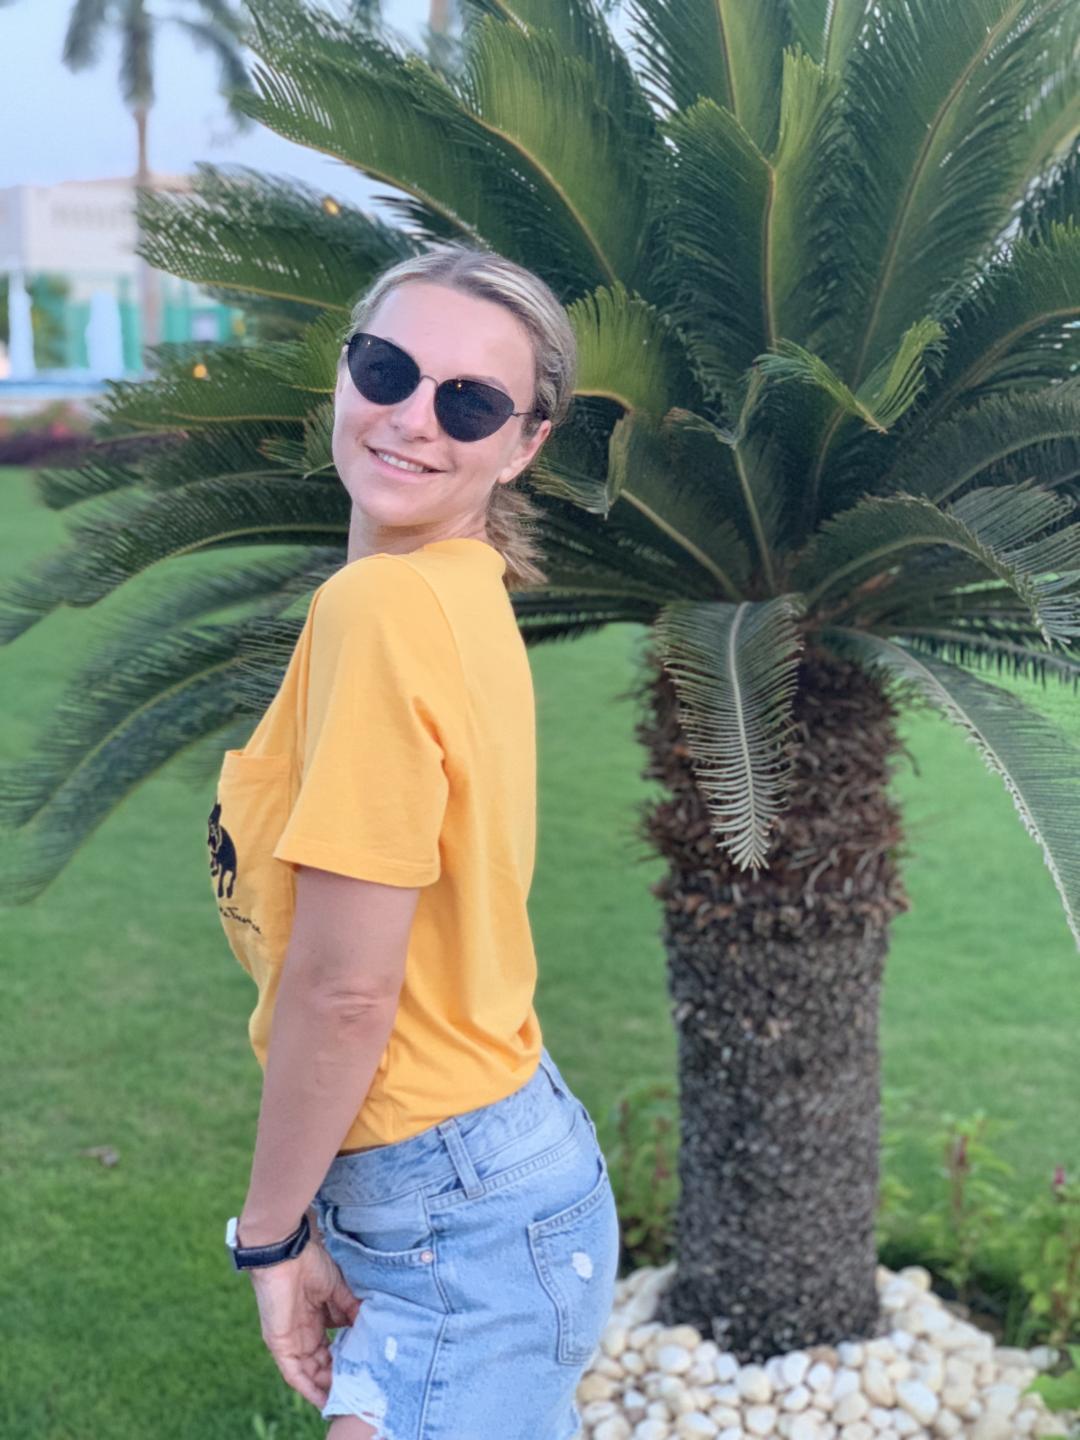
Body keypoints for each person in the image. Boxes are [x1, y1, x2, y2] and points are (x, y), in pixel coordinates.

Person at [207, 244, 621, 1440]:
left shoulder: (385, 607)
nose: (413, 417)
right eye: (388, 369)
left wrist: (271, 1236)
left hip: (456, 1210)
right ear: (344, 371)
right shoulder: (456, 589)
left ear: (524, 444)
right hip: (475, 1174)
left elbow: (346, 992)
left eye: (471, 402)